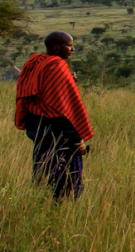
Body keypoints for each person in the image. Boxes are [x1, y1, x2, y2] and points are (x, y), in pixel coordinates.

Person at [14, 32, 92, 200]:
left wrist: (67, 79)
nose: (73, 49)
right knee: (63, 178)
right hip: (57, 131)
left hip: (37, 129)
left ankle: (42, 203)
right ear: (56, 47)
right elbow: (62, 109)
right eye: (69, 45)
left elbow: (39, 90)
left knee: (42, 170)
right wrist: (77, 139)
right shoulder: (56, 66)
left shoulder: (36, 62)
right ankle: (60, 208)